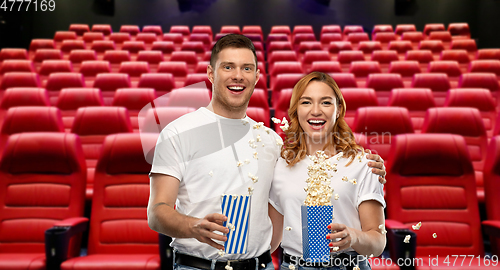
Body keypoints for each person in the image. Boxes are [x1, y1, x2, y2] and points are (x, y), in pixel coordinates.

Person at [147, 34, 385, 270]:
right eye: (228, 66)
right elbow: (157, 212)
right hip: (197, 266)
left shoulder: (271, 142)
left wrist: (370, 168)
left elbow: (278, 217)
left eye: (247, 68)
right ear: (211, 73)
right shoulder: (179, 131)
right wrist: (193, 227)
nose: (238, 75)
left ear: (257, 76)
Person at [269, 72, 386, 270]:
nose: (316, 111)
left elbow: (378, 243)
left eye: (325, 102)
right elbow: (271, 240)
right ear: (296, 110)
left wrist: (354, 237)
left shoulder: (362, 164)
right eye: (306, 102)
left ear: (338, 109)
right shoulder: (281, 165)